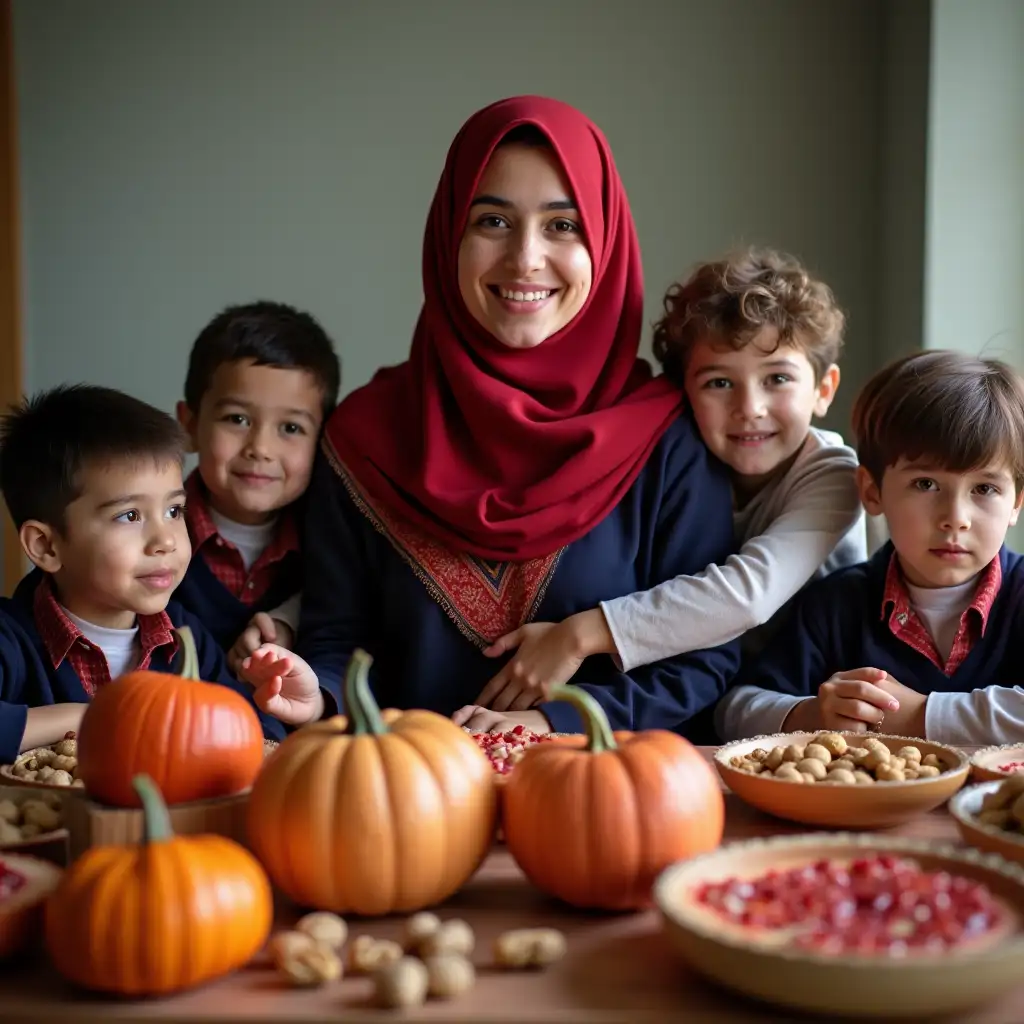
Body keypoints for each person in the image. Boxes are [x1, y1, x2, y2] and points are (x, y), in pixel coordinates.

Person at [246, 95, 741, 737]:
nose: (525, 258)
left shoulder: (668, 440)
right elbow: (339, 642)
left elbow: (702, 662)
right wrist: (317, 696)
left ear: (607, 243)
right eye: (492, 222)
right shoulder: (363, 440)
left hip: (604, 799)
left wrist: (551, 722)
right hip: (402, 807)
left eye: (563, 226)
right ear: (448, 233)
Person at [474, 248, 866, 716]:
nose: (750, 408)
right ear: (682, 395)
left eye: (777, 378)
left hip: (813, 698)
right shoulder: (685, 468)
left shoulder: (833, 474)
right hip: (722, 697)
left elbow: (748, 596)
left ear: (824, 390)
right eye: (719, 383)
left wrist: (579, 636)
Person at [0, 385, 325, 763]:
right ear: (46, 547)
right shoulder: (10, 639)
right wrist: (84, 717)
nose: (165, 541)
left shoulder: (186, 641)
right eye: (130, 516)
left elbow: (253, 741)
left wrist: (279, 699)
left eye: (174, 511)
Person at [722, 350, 1024, 745]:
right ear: (872, 491)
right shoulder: (836, 604)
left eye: (985, 489)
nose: (956, 517)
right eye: (925, 485)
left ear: (1016, 503)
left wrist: (919, 717)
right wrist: (811, 714)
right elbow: (734, 709)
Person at [173, 300, 340, 670]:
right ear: (189, 426)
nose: (260, 449)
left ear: (323, 442)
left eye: (291, 428)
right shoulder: (152, 537)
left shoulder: (332, 545)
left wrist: (288, 623)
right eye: (237, 419)